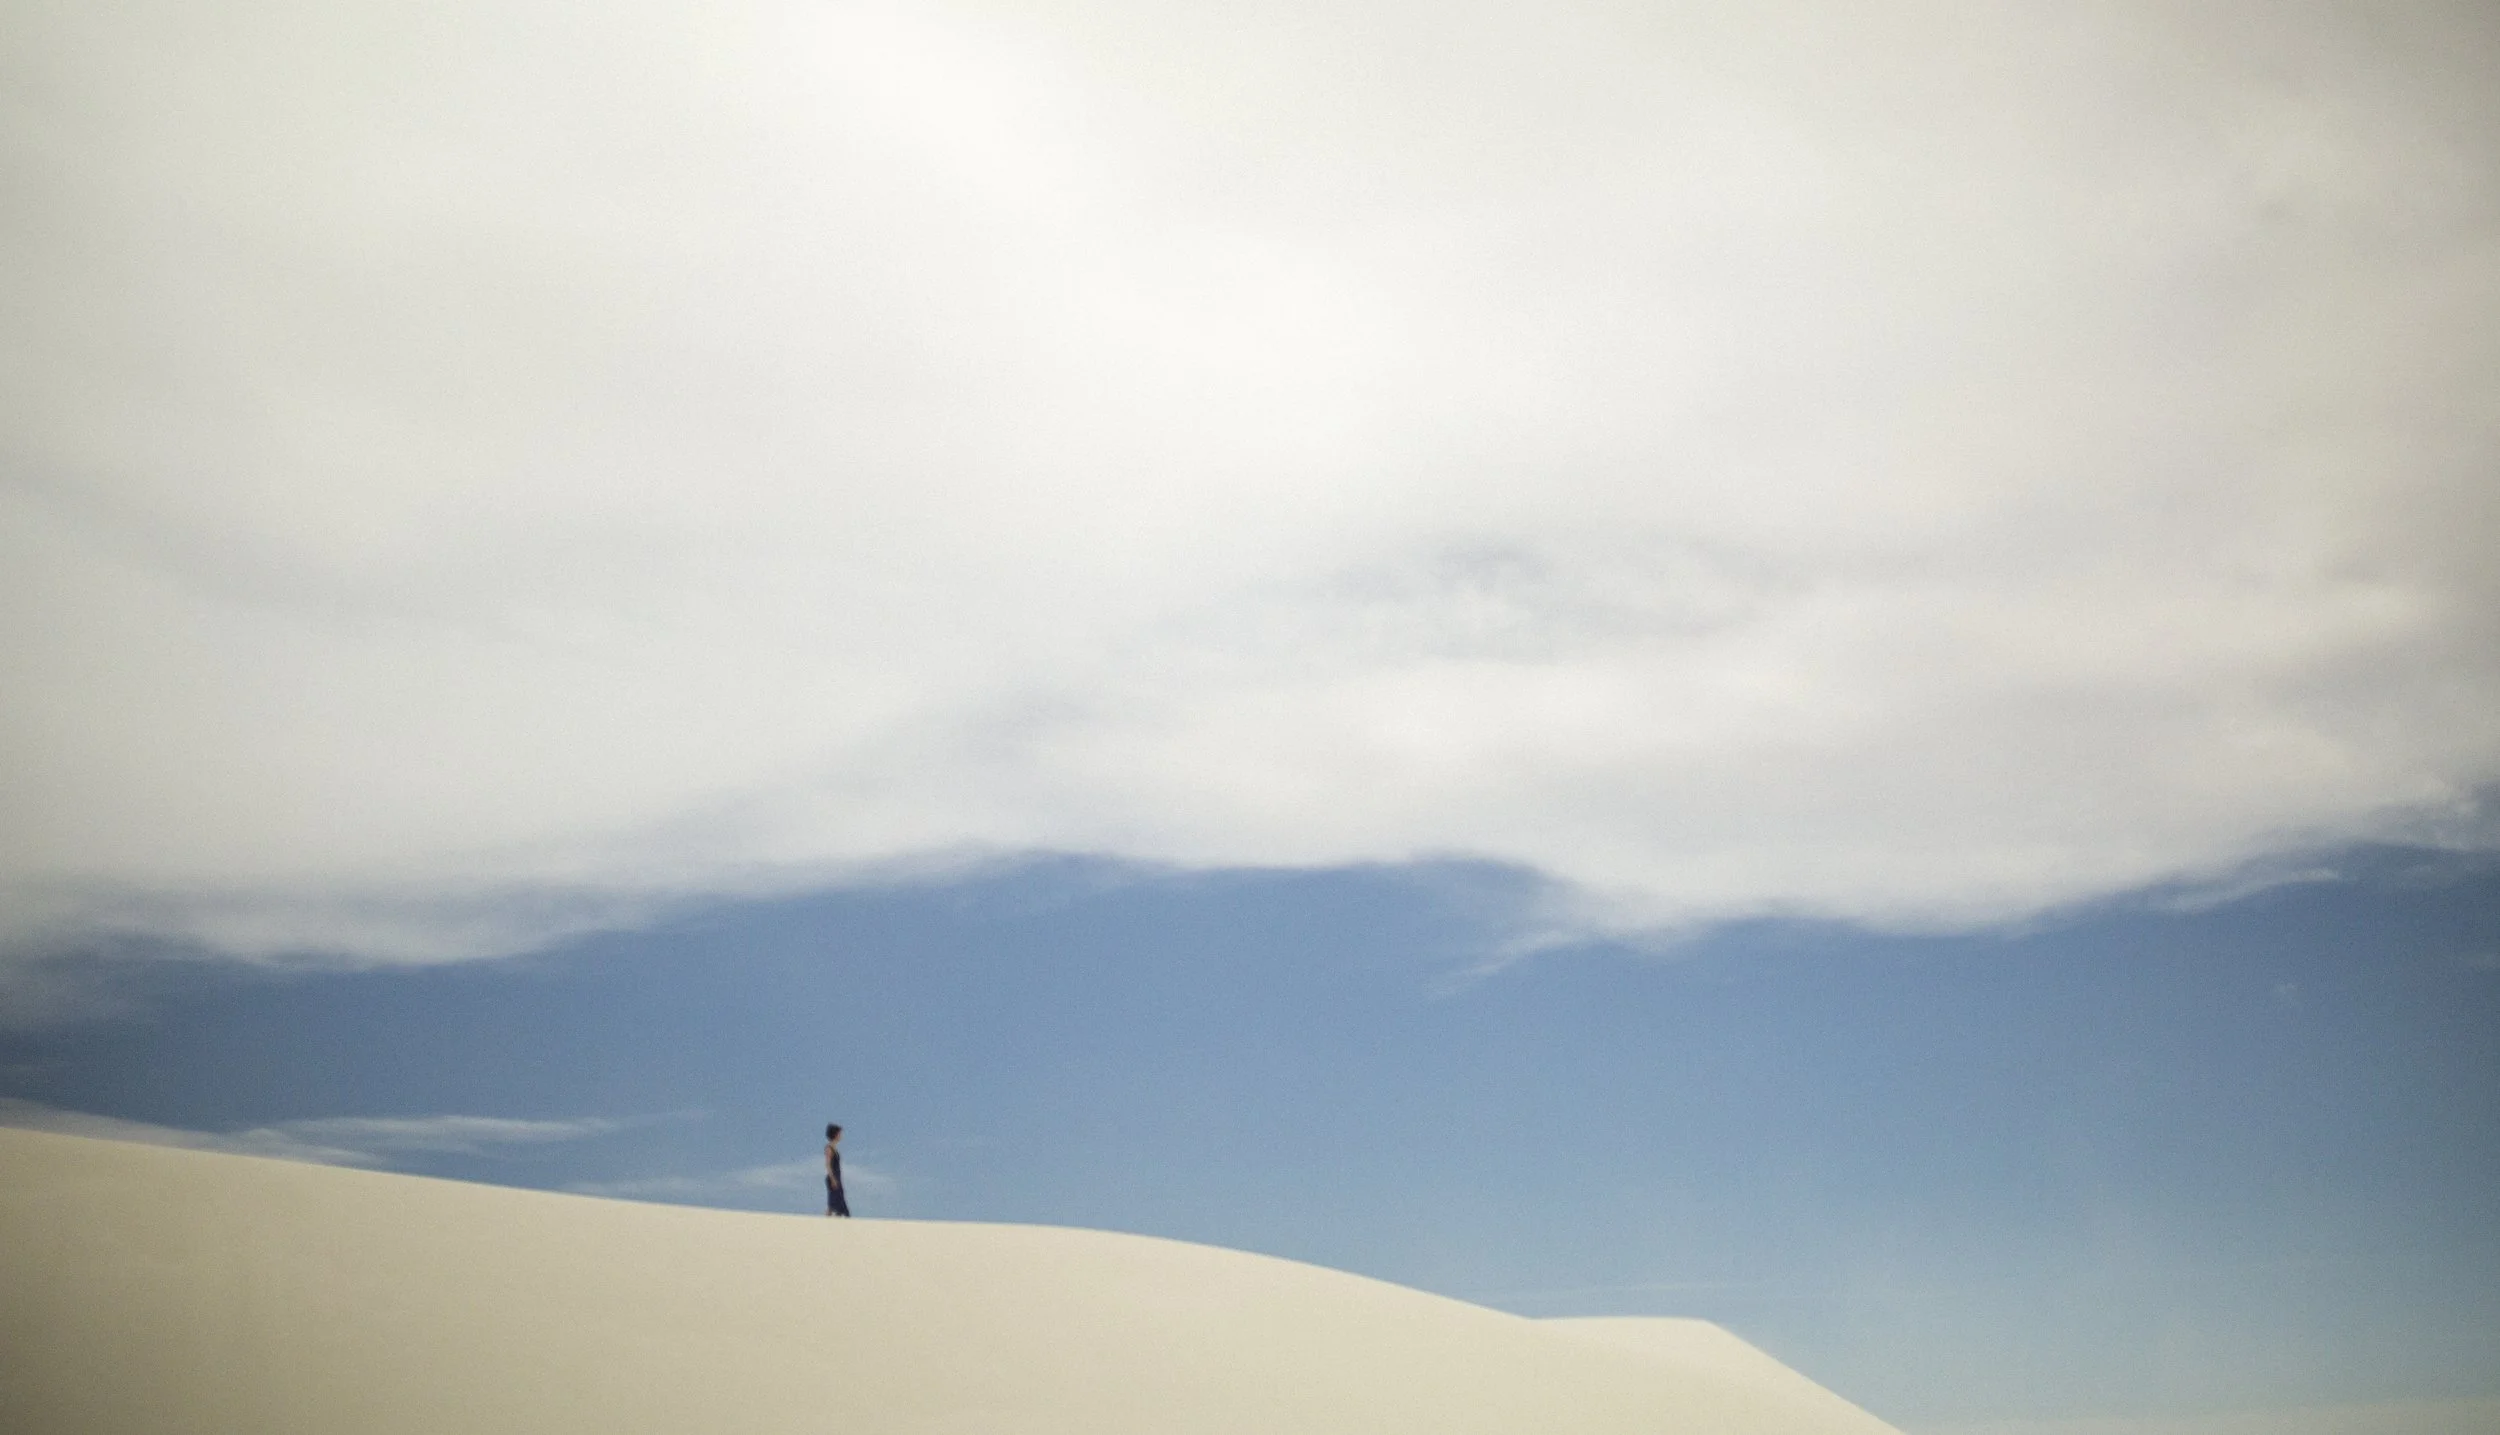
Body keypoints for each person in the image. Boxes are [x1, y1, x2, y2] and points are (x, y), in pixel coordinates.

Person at [823, 1123, 850, 1217]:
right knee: (834, 1203)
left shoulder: (834, 1148)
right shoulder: (829, 1148)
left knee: (837, 1203)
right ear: (835, 1134)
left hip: (837, 1177)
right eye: (839, 1133)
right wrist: (833, 1179)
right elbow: (828, 1165)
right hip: (833, 1178)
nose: (841, 1135)